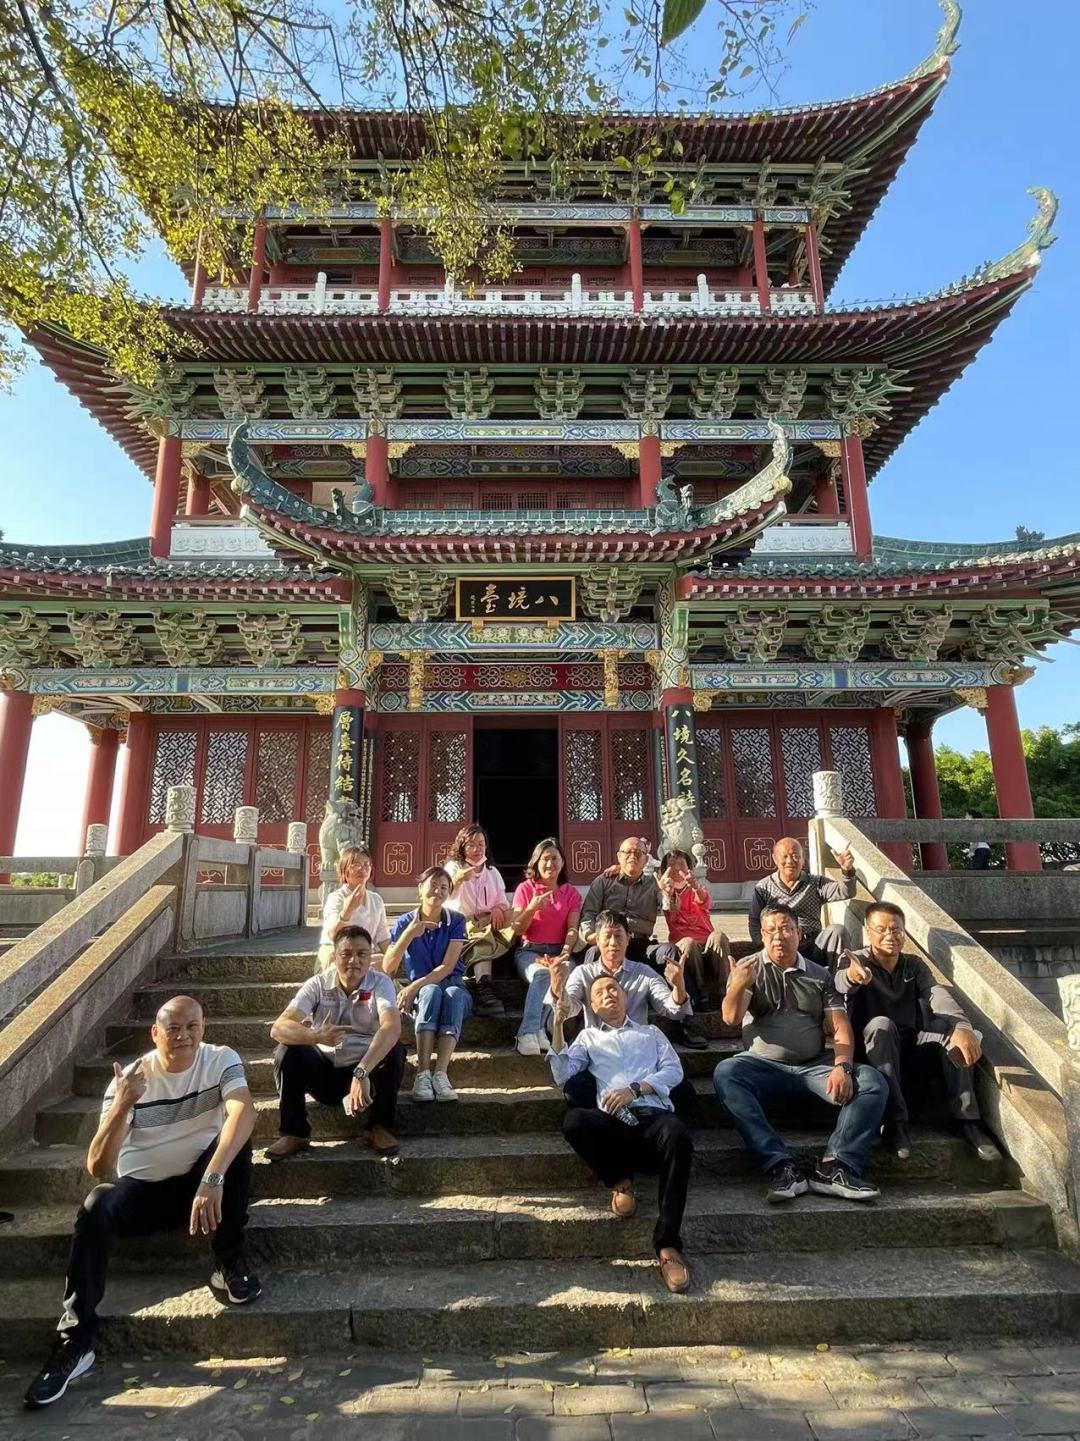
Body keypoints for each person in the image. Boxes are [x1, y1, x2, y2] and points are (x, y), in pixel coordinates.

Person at [24, 996, 259, 1409]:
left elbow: (245, 1111)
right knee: (97, 1203)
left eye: (192, 1027)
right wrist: (123, 1105)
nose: (184, 1036)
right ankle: (75, 1341)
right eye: (173, 1028)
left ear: (203, 1028)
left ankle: (229, 1260)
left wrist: (212, 1177)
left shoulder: (220, 1058)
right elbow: (99, 1166)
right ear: (155, 1033)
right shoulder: (131, 1080)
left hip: (200, 1187)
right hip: (143, 1195)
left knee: (236, 1144)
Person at [713, 904, 888, 1203]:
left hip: (814, 1067)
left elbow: (840, 1027)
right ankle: (780, 1165)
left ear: (799, 933)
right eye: (770, 931)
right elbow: (730, 1018)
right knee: (725, 1073)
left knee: (872, 1082)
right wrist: (737, 986)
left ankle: (836, 1165)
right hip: (761, 1066)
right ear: (762, 936)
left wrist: (842, 1066)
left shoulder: (820, 975)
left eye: (785, 929)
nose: (778, 937)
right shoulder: (749, 968)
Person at [548, 974, 693, 1294]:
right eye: (599, 992)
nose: (608, 994)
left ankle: (668, 1245)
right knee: (575, 1121)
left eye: (613, 988)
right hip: (614, 1125)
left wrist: (636, 1089)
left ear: (625, 997)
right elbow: (562, 1075)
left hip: (654, 1119)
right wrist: (558, 1026)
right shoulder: (588, 1037)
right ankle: (619, 1179)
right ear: (592, 1005)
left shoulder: (650, 1033)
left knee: (678, 1134)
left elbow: (674, 1071)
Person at [835, 900, 1001, 1163]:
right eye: (881, 929)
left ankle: (968, 1122)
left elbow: (936, 995)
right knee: (881, 1024)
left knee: (950, 1035)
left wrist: (961, 1025)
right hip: (873, 1050)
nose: (890, 936)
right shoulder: (856, 960)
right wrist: (851, 977)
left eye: (896, 930)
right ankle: (895, 1122)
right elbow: (839, 981)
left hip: (910, 1042)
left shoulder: (913, 965)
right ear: (868, 930)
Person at [548, 909, 705, 1120]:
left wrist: (678, 986)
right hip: (599, 1054)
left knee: (682, 1087)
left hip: (640, 1054)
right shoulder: (583, 973)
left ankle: (661, 1127)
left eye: (618, 936)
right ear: (597, 940)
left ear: (628, 939)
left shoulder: (644, 973)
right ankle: (611, 1120)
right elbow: (569, 1008)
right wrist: (557, 987)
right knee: (575, 1088)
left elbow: (672, 1009)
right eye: (607, 936)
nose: (613, 943)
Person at [266, 924, 405, 1160]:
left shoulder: (381, 983)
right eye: (346, 954)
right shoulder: (317, 984)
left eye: (361, 954)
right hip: (324, 1070)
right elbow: (278, 1027)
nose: (354, 961)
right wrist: (315, 1036)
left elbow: (391, 1027)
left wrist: (362, 1071)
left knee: (395, 1050)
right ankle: (295, 1132)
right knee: (286, 1051)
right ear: (334, 956)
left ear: (370, 957)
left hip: (365, 1071)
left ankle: (378, 1127)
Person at [382, 866, 470, 1102]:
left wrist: (412, 987)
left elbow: (448, 966)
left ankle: (440, 1074)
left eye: (444, 887)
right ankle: (423, 1074)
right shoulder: (405, 921)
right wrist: (409, 934)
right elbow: (388, 966)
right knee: (430, 992)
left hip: (450, 983)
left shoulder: (456, 921)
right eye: (433, 885)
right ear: (420, 888)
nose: (438, 891)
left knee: (454, 994)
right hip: (425, 992)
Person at [510, 837, 581, 1057]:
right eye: (545, 859)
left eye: (555, 858)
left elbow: (572, 929)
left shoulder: (571, 893)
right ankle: (527, 1032)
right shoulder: (526, 889)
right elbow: (517, 929)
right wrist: (531, 908)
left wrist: (565, 953)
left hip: (559, 951)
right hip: (530, 951)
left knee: (562, 973)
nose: (550, 864)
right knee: (542, 974)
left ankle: (540, 1028)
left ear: (562, 862)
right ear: (536, 862)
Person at [748, 837, 856, 969]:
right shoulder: (764, 888)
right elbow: (754, 921)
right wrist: (763, 945)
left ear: (803, 858)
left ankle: (839, 978)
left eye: (795, 856)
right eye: (784, 856)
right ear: (775, 859)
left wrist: (847, 870)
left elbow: (845, 892)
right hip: (781, 943)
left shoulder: (816, 883)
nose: (790, 861)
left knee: (838, 931)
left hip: (813, 944)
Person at [445, 823, 513, 1019]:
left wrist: (498, 908)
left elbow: (502, 900)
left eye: (481, 844)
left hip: (488, 921)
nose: (477, 849)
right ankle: (484, 987)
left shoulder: (492, 872)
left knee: (517, 917)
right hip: (462, 923)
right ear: (462, 847)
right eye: (471, 845)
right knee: (481, 939)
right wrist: (458, 879)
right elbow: (444, 893)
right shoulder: (453, 867)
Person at [657, 849, 731, 1010]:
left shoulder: (697, 888)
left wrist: (695, 886)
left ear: (689, 868)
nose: (677, 868)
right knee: (688, 943)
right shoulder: (663, 893)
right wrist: (668, 893)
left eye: (681, 864)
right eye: (671, 865)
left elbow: (704, 901)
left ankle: (725, 992)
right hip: (685, 946)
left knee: (718, 936)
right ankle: (702, 994)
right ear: (664, 871)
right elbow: (671, 907)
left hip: (707, 942)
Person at [579, 837, 664, 965]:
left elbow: (670, 908)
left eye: (638, 853)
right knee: (594, 952)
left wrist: (669, 894)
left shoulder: (654, 884)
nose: (632, 856)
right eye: (627, 852)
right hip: (610, 941)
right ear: (619, 856)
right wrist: (589, 934)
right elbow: (589, 913)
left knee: (668, 952)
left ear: (646, 860)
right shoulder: (604, 881)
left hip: (641, 943)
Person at [317, 846, 390, 970]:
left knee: (384, 962)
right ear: (344, 868)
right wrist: (348, 910)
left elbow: (382, 936)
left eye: (366, 864)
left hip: (364, 952)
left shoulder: (376, 899)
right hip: (337, 950)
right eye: (356, 865)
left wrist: (392, 956)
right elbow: (333, 934)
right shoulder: (336, 898)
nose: (363, 869)